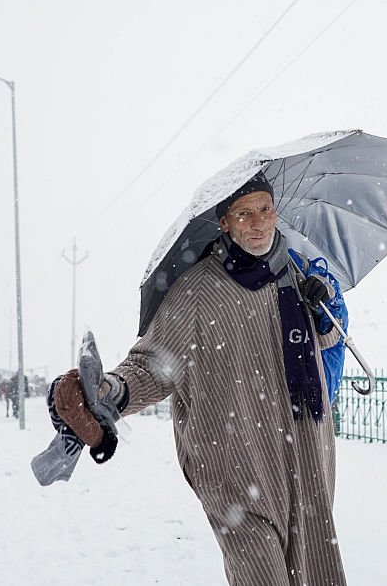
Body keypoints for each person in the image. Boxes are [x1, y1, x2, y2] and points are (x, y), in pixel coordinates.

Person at [51, 173, 349, 585]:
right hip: (236, 466)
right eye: (245, 213)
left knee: (315, 571)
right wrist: (108, 392)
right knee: (262, 575)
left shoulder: (296, 275)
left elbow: (328, 338)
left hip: (306, 456)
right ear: (224, 223)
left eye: (266, 209)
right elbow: (152, 365)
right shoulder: (197, 291)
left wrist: (324, 311)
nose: (260, 222)